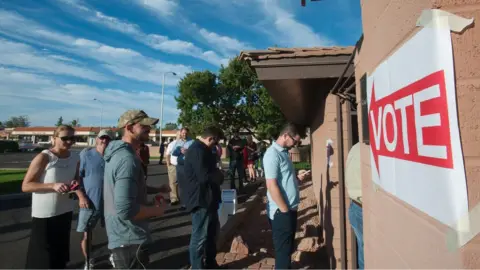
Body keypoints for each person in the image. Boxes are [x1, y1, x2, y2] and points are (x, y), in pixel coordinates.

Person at [103, 110, 171, 269]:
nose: (149, 128)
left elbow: (127, 187)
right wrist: (156, 210)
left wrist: (156, 189)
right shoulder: (127, 159)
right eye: (144, 125)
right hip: (129, 238)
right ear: (129, 127)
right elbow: (126, 209)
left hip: (123, 236)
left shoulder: (120, 153)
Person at [22, 125, 80, 269]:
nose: (69, 142)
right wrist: (52, 186)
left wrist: (75, 183)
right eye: (65, 138)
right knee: (42, 257)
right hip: (45, 214)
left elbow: (77, 178)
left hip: (65, 210)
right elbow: (26, 186)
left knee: (59, 255)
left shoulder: (75, 158)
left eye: (72, 138)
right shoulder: (44, 157)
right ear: (54, 139)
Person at [263, 123, 310, 269]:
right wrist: (284, 210)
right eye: (295, 141)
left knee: (287, 249)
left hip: (288, 209)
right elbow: (271, 185)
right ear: (285, 136)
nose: (295, 144)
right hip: (281, 211)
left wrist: (296, 177)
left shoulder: (283, 152)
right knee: (283, 252)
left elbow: (283, 178)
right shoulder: (272, 154)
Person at [182, 126, 225, 269]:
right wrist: (219, 175)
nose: (216, 145)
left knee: (211, 234)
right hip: (201, 200)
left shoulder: (204, 149)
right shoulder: (197, 150)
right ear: (210, 138)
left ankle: (210, 263)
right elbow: (204, 176)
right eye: (216, 142)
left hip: (210, 199)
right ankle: (197, 267)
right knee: (199, 237)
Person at [76, 129, 113, 270]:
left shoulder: (112, 156)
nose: (104, 141)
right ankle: (88, 260)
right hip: (90, 202)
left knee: (112, 232)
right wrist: (81, 196)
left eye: (108, 139)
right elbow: (76, 178)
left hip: (109, 202)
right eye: (102, 138)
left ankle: (113, 256)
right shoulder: (86, 155)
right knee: (87, 234)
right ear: (97, 139)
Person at [345, 142, 364, 269]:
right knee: (366, 252)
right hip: (362, 209)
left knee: (363, 250)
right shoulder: (368, 151)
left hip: (354, 205)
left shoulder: (356, 147)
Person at [171, 127, 193, 210]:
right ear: (180, 133)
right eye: (183, 133)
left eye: (186, 133)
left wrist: (188, 151)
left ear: (188, 133)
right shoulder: (177, 142)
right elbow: (173, 153)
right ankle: (184, 204)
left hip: (188, 166)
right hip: (180, 167)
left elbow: (195, 153)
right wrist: (180, 150)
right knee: (182, 186)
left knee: (190, 185)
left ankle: (191, 203)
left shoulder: (192, 142)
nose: (184, 134)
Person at [166, 134, 180, 205]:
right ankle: (174, 199)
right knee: (173, 183)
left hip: (183, 166)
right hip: (173, 166)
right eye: (179, 135)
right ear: (176, 136)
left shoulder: (187, 143)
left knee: (184, 183)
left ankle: (185, 199)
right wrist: (168, 165)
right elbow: (167, 154)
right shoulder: (172, 144)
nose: (181, 136)